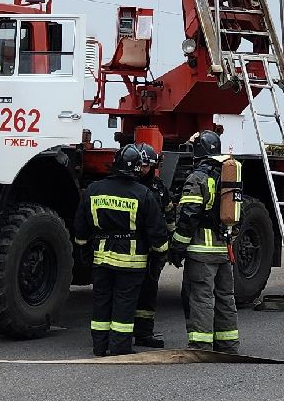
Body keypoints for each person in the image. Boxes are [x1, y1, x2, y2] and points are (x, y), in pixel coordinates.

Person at [73, 143, 170, 356]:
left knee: (101, 301)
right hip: (131, 261)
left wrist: (83, 250)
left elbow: (81, 227)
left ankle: (99, 346)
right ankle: (120, 347)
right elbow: (157, 232)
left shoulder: (93, 190)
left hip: (101, 257)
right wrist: (160, 255)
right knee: (124, 303)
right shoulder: (143, 194)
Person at [174, 129, 240, 353]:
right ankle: (228, 344)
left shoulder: (198, 178)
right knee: (225, 297)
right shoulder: (228, 175)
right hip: (223, 247)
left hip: (202, 250)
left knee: (200, 296)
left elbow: (189, 215)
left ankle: (201, 344)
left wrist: (178, 246)